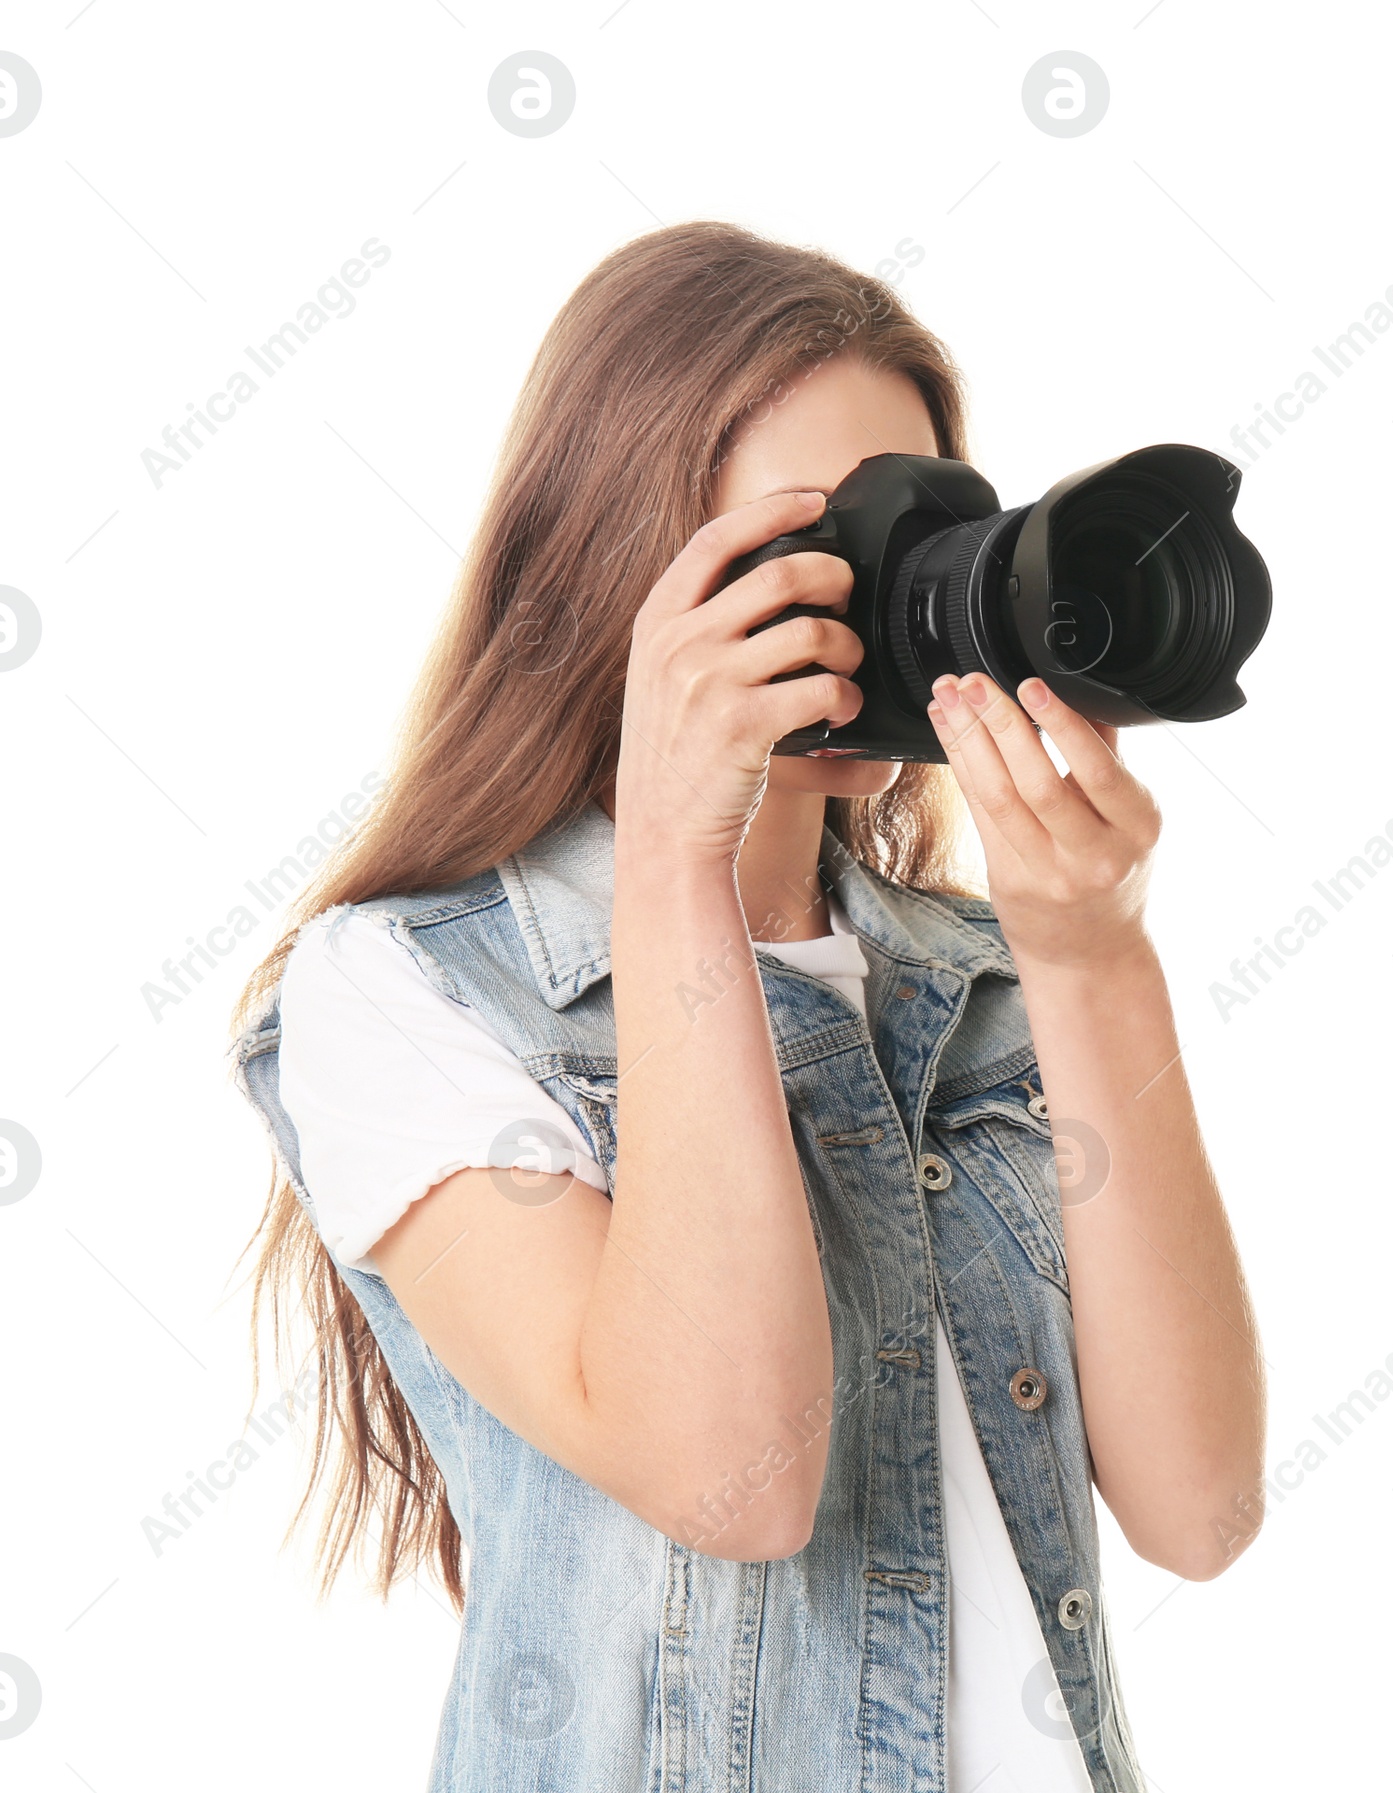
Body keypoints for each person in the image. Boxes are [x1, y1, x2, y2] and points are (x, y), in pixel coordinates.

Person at [230, 219, 1266, 1793]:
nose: (886, 597)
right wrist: (672, 856)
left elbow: (1203, 1508)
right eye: (818, 548)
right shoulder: (405, 989)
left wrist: (1092, 960)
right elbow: (731, 1475)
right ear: (618, 576)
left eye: (924, 525)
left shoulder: (989, 978)